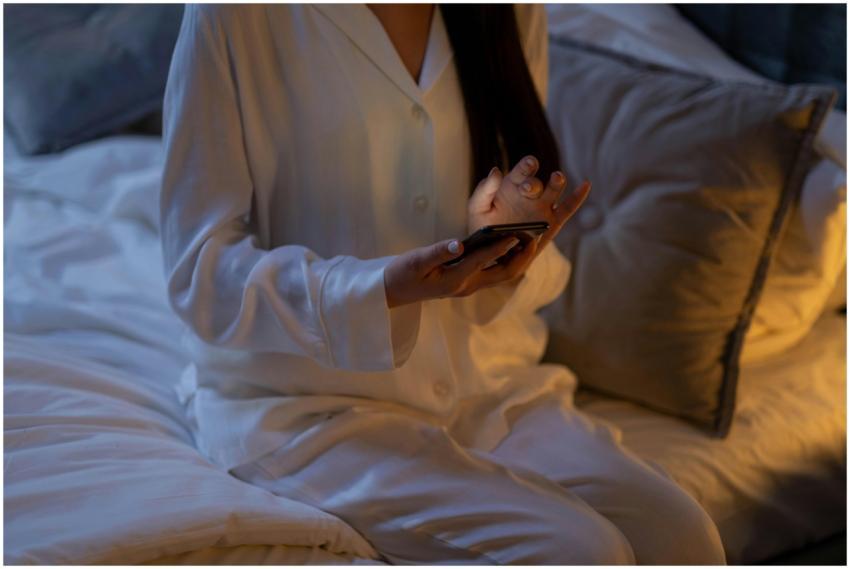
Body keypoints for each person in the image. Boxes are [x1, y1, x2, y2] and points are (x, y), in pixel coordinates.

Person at [160, 4, 726, 564]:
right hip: (309, 409)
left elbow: (499, 186)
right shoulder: (236, 15)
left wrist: (507, 242)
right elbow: (199, 271)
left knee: (684, 537)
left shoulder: (508, 11)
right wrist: (379, 288)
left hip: (484, 385)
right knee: (581, 552)